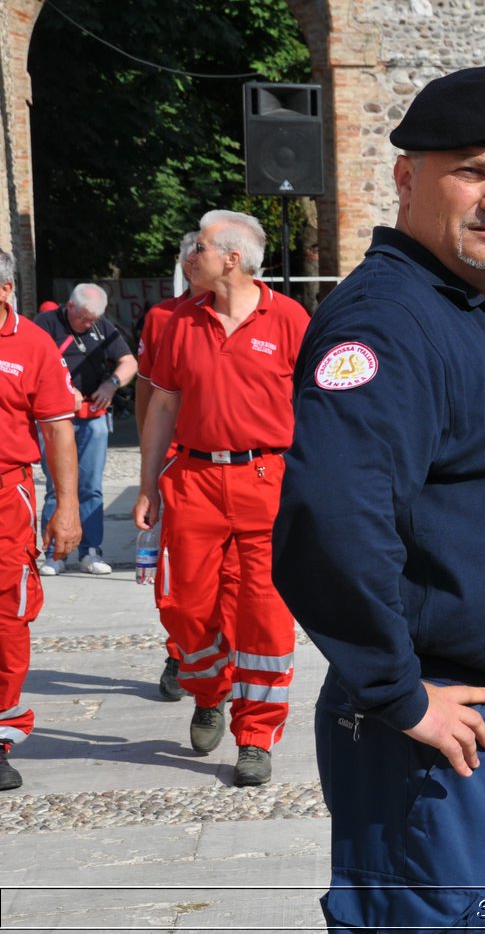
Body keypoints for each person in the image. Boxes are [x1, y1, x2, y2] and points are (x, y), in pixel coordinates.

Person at [272, 67, 485, 931]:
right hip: (446, 749)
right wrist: (401, 694)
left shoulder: (467, 311)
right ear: (407, 179)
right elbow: (331, 524)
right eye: (473, 169)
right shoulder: (388, 322)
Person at [132, 210, 308, 789]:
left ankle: (255, 735)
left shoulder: (289, 320)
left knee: (264, 614)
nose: (192, 255)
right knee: (181, 606)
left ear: (232, 258)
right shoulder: (179, 322)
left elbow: (317, 408)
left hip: (266, 480)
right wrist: (148, 483)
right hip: (195, 481)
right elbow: (161, 406)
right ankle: (208, 692)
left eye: (201, 247)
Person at [0, 250, 79, 790]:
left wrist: (67, 507)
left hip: (7, 495)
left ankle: (0, 734)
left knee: (8, 614)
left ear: (4, 292)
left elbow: (56, 431)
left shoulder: (32, 344)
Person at [137, 231, 204, 703]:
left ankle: (215, 667)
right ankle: (180, 654)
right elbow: (150, 393)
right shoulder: (163, 317)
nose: (194, 263)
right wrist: (150, 463)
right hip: (179, 462)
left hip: (231, 467)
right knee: (180, 577)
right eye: (190, 256)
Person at [33, 282, 136, 576]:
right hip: (56, 417)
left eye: (93, 319)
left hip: (93, 415)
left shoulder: (102, 326)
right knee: (56, 485)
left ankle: (91, 551)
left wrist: (112, 383)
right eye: (83, 318)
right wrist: (62, 388)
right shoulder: (46, 324)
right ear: (70, 306)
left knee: (90, 486)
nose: (88, 324)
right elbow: (36, 364)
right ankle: (55, 553)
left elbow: (129, 362)